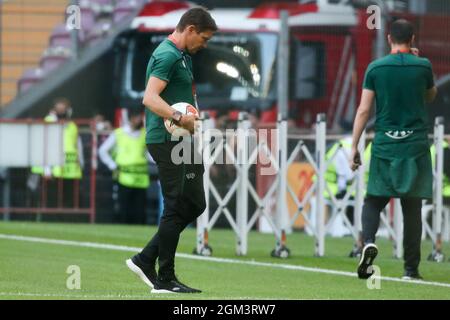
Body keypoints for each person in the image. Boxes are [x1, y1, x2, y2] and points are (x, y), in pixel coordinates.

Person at [125, 7, 217, 294]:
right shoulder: (166, 55)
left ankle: (145, 259)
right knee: (177, 204)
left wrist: (191, 119)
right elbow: (149, 98)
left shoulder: (183, 57)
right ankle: (164, 278)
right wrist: (180, 118)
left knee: (195, 204)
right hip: (167, 140)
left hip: (184, 139)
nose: (205, 44)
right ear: (189, 29)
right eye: (203, 37)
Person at [350, 19, 438, 280]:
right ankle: (411, 269)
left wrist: (354, 145)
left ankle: (368, 241)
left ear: (389, 38)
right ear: (412, 39)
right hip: (414, 145)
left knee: (374, 199)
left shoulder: (375, 68)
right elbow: (430, 96)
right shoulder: (423, 66)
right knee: (412, 209)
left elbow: (364, 109)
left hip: (385, 144)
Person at [29, 98, 84, 208]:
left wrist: (80, 164)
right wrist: (47, 169)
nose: (62, 112)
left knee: (68, 200)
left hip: (69, 169)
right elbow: (43, 146)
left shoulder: (72, 125)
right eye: (59, 109)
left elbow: (77, 146)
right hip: (52, 169)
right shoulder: (48, 122)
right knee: (52, 200)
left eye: (64, 109)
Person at [99, 108, 150, 224]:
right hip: (124, 176)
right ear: (130, 119)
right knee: (124, 207)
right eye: (136, 118)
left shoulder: (144, 134)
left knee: (140, 209)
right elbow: (103, 150)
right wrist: (112, 165)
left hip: (141, 177)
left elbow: (148, 154)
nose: (138, 120)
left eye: (139, 118)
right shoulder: (119, 133)